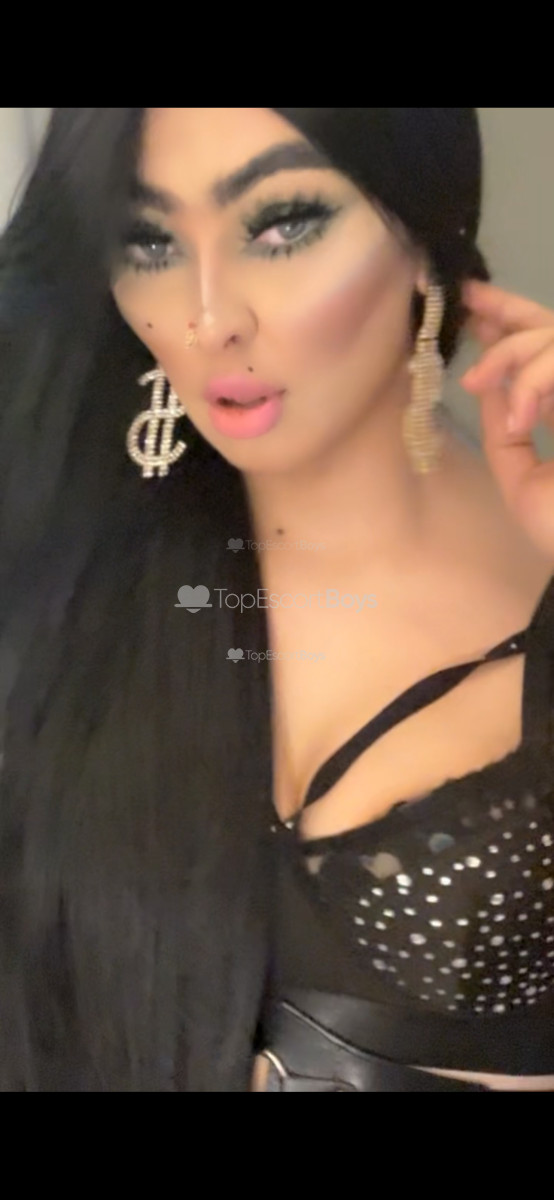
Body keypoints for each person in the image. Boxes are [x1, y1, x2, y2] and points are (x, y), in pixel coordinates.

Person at [0, 108, 553, 1093]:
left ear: (423, 234)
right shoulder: (58, 545)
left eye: (282, 223)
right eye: (150, 241)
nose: (208, 318)